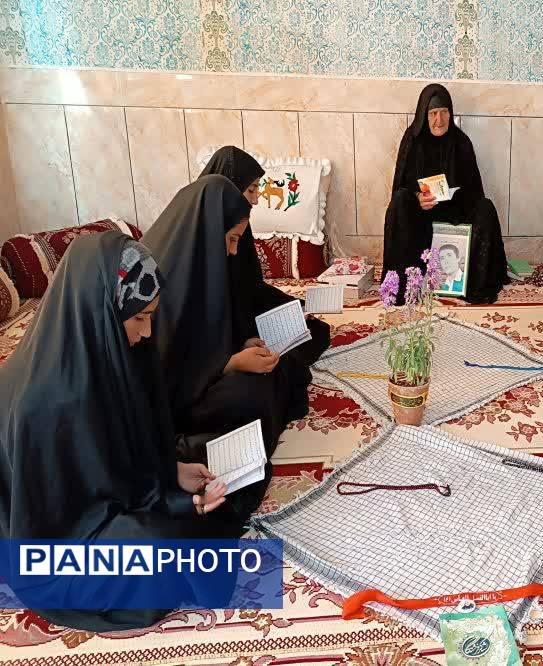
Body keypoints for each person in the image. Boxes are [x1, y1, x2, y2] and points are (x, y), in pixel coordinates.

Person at [0, 232, 235, 631]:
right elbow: (77, 514)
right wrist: (179, 504)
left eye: (151, 316)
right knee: (163, 547)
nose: (147, 333)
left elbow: (115, 457)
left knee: (193, 529)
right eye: (139, 318)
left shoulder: (105, 354)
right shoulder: (51, 402)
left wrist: (171, 471)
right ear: (102, 311)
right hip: (53, 536)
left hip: (86, 507)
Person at [143, 176, 319, 517]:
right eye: (232, 239)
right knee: (251, 394)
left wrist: (240, 345)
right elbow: (164, 373)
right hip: (177, 402)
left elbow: (211, 333)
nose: (235, 250)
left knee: (275, 370)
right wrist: (229, 364)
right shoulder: (165, 279)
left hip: (207, 379)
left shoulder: (207, 265)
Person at [383, 83, 508, 304]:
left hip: (454, 216)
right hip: (421, 218)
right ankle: (404, 285)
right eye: (433, 113)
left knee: (485, 207)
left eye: (444, 112)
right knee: (400, 201)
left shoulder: (461, 142)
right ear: (424, 115)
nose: (439, 120)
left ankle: (476, 284)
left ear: (450, 113)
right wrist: (417, 198)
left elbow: (474, 191)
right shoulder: (412, 140)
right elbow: (400, 185)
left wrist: (455, 196)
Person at [199, 145, 331, 352]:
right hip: (218, 337)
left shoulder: (241, 226)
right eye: (251, 190)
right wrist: (239, 343)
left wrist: (294, 307)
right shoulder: (200, 235)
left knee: (317, 331)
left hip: (246, 319)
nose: (256, 199)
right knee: (274, 362)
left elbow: (252, 286)